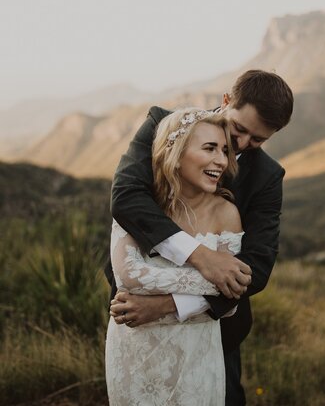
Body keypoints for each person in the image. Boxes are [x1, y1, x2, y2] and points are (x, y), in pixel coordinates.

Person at [108, 69, 294, 405]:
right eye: (239, 130)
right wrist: (200, 256)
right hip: (135, 315)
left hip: (215, 327)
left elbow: (258, 267)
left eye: (258, 140)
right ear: (226, 101)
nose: (242, 145)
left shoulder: (268, 176)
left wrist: (167, 306)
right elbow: (126, 196)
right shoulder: (162, 126)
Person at [105, 108, 246, 405]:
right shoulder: (140, 205)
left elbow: (232, 303)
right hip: (135, 351)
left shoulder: (227, 213)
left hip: (197, 354)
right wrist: (215, 279)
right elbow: (130, 277)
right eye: (209, 148)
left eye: (223, 150)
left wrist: (159, 304)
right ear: (177, 152)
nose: (221, 161)